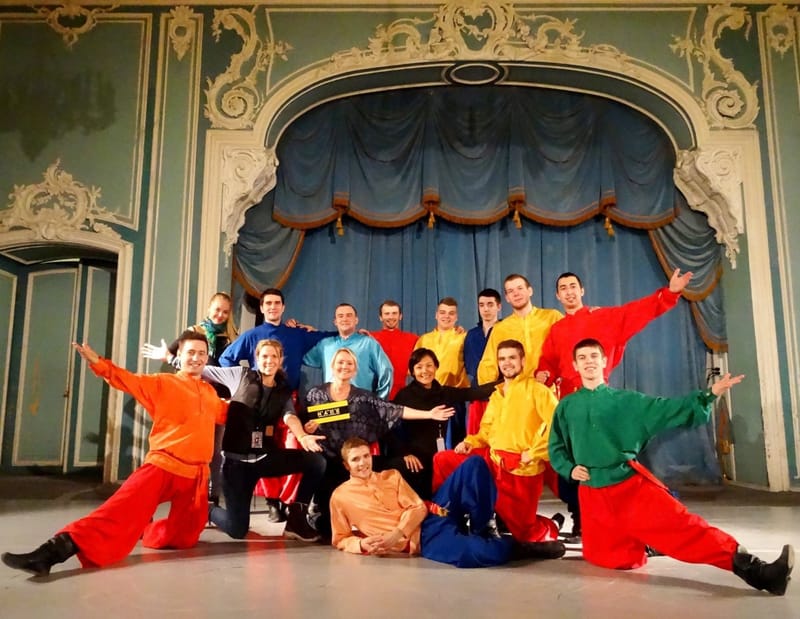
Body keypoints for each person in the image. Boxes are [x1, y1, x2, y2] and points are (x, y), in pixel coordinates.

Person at [547, 338, 794, 595]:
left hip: (628, 487)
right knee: (612, 560)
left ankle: (757, 571)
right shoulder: (566, 406)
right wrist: (569, 468)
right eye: (583, 358)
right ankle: (650, 542)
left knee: (685, 528)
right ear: (575, 365)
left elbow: (667, 409)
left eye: (594, 356)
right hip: (593, 496)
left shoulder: (626, 401)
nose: (589, 362)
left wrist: (709, 395)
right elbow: (555, 446)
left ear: (604, 361)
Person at [2, 332, 227, 577]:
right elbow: (125, 379)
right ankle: (51, 552)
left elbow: (226, 413)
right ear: (179, 356)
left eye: (202, 354)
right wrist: (98, 362)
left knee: (185, 538)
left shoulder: (209, 392)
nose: (196, 358)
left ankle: (143, 528)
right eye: (191, 353)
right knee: (116, 511)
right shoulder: (162, 383)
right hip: (163, 466)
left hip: (196, 477)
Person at [144, 338, 325, 542]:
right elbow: (204, 370)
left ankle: (296, 519)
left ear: (280, 359)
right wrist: (170, 357)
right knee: (237, 529)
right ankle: (207, 509)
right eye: (264, 356)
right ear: (257, 358)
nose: (269, 360)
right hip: (236, 464)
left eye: (274, 356)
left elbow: (289, 415)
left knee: (316, 462)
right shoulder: (240, 375)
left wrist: (302, 436)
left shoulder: (282, 389)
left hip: (264, 457)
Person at [330, 437, 565, 567]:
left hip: (433, 517)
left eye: (366, 456)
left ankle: (483, 526)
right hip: (424, 541)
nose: (363, 463)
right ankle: (520, 548)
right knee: (471, 554)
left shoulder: (391, 475)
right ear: (346, 465)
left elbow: (418, 507)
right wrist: (360, 546)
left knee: (474, 465)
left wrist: (397, 532)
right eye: (355, 459)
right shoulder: (340, 497)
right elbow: (340, 538)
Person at [300, 348, 454, 537]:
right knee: (326, 529)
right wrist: (305, 431)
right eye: (340, 362)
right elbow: (300, 420)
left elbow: (394, 410)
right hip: (330, 462)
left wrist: (429, 414)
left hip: (359, 463)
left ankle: (408, 515)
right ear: (332, 366)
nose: (344, 366)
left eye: (349, 363)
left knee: (401, 465)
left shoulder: (364, 398)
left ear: (355, 370)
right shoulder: (315, 395)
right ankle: (311, 508)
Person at [218, 288, 332, 521]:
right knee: (264, 449)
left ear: (283, 307)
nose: (272, 307)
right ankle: (272, 503)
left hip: (288, 401)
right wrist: (242, 386)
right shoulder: (252, 335)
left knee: (293, 449)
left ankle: (290, 502)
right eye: (268, 303)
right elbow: (224, 359)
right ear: (261, 308)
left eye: (277, 303)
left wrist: (359, 334)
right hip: (259, 407)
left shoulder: (295, 333)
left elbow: (329, 337)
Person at [433, 339, 561, 543]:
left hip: (520, 470)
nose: (507, 363)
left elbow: (559, 427)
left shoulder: (538, 391)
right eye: (502, 358)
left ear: (523, 360)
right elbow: (486, 432)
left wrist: (534, 453)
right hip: (491, 462)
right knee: (444, 459)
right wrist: (470, 442)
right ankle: (447, 519)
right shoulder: (497, 395)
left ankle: (552, 525)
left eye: (512, 357)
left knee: (526, 534)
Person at [535, 269, 693, 397]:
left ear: (582, 291)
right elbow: (548, 362)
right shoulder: (556, 329)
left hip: (598, 393)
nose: (569, 292)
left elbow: (637, 311)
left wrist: (669, 293)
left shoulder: (604, 317)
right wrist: (544, 374)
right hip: (568, 398)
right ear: (557, 296)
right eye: (563, 288)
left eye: (573, 286)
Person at [153, 291, 239, 505]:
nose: (220, 315)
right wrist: (166, 356)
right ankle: (187, 492)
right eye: (217, 309)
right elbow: (175, 357)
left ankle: (213, 495)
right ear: (209, 308)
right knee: (190, 445)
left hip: (218, 396)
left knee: (216, 449)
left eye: (225, 312)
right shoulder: (194, 332)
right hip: (192, 394)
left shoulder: (233, 336)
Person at [389, 348, 496, 499]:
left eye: (429, 365)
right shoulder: (404, 395)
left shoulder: (443, 392)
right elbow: (392, 430)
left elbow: (473, 392)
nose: (424, 371)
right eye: (419, 367)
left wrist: (507, 381)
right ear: (412, 371)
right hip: (413, 458)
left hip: (437, 457)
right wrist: (405, 454)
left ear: (436, 367)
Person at [477, 274, 562, 384]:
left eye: (520, 288)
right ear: (507, 298)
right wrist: (488, 396)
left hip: (551, 390)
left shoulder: (552, 317)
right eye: (511, 291)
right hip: (517, 393)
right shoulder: (500, 328)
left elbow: (570, 348)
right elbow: (488, 365)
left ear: (530, 291)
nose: (516, 293)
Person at [303, 303, 393, 398]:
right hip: (331, 405)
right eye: (340, 316)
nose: (345, 319)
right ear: (335, 321)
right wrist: (304, 332)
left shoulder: (368, 343)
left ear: (356, 320)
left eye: (349, 315)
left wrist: (380, 401)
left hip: (360, 404)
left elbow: (386, 370)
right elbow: (300, 357)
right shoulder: (325, 345)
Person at [463, 288, 501, 434]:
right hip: (477, 395)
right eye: (482, 305)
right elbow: (468, 364)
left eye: (490, 304)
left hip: (499, 392)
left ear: (499, 306)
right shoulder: (471, 334)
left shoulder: (507, 329)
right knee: (475, 437)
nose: (486, 309)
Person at [370, 300, 419, 399]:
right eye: (387, 314)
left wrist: (457, 332)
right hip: (375, 396)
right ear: (380, 317)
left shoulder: (413, 339)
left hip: (402, 397)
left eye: (394, 313)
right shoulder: (370, 338)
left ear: (400, 316)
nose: (391, 317)